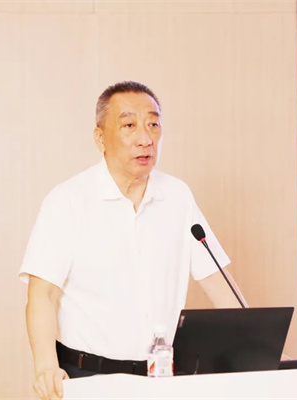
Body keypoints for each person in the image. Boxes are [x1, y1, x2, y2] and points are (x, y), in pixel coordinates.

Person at [20, 81, 247, 400]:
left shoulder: (177, 196)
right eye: (129, 125)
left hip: (164, 376)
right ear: (100, 137)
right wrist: (45, 367)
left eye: (153, 125)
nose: (145, 138)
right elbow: (41, 294)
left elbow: (217, 281)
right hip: (88, 377)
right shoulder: (67, 201)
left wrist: (258, 347)